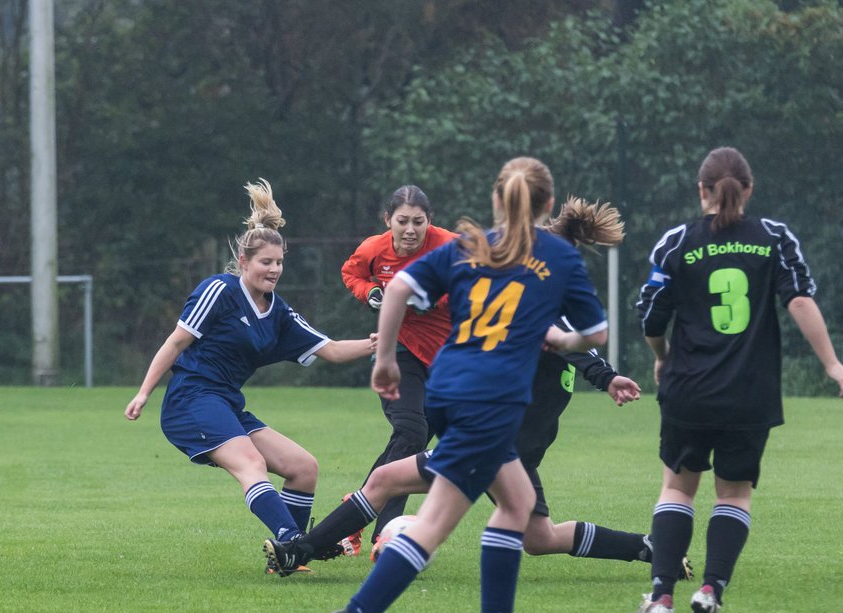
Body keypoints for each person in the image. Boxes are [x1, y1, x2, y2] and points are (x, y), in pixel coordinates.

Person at [299, 157, 609, 613]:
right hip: (489, 401)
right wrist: (560, 339)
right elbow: (595, 334)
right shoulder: (556, 254)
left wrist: (383, 359)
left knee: (516, 502)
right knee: (441, 523)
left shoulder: (467, 244)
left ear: (495, 202)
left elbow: (396, 289)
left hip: (448, 384)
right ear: (549, 207)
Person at [266, 200, 674, 574]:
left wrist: (607, 377)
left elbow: (564, 339)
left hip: (492, 444)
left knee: (385, 481)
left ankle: (299, 552)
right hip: (516, 448)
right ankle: (651, 548)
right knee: (539, 538)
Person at [629, 147, 843, 613]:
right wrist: (833, 366)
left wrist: (662, 359)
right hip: (750, 394)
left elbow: (651, 316)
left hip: (688, 391)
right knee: (733, 496)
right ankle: (710, 590)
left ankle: (661, 596)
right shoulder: (773, 238)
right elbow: (800, 300)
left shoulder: (676, 242)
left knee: (677, 489)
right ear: (748, 190)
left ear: (700, 189)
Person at [125, 179, 376, 544]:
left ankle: (292, 556)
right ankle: (292, 540)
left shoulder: (280, 313)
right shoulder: (220, 290)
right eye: (265, 262)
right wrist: (143, 393)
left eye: (279, 263)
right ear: (244, 262)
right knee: (252, 464)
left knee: (303, 468)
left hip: (227, 404)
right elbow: (176, 342)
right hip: (190, 401)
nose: (273, 269)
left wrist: (379, 342)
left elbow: (333, 350)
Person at [337, 186, 457, 553]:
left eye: (418, 222)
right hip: (399, 352)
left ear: (430, 222)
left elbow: (475, 286)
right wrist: (370, 292)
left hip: (448, 359)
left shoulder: (450, 247)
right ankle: (386, 533)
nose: (410, 230)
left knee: (412, 443)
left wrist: (430, 298)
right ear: (387, 220)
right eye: (402, 221)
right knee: (411, 429)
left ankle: (353, 513)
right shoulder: (374, 249)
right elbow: (351, 272)